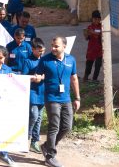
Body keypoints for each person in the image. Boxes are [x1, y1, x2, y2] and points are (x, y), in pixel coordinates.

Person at [37, 36, 80, 167]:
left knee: (67, 127)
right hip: (51, 99)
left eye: (56, 46)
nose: (53, 48)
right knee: (54, 126)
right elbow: (38, 75)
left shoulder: (71, 60)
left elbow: (74, 79)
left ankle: (46, 146)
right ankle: (50, 156)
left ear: (64, 47)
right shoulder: (45, 60)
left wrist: (77, 98)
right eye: (52, 46)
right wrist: (37, 78)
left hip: (66, 98)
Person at [22, 38, 46, 154]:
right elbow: (24, 77)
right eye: (39, 51)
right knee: (33, 115)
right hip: (32, 92)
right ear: (33, 49)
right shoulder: (28, 61)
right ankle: (25, 138)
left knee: (39, 118)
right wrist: (33, 78)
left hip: (43, 92)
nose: (41, 53)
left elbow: (50, 74)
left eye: (43, 51)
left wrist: (43, 77)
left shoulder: (45, 60)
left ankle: (34, 142)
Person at [83, 10, 102, 82]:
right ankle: (85, 78)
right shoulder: (89, 27)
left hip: (100, 51)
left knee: (97, 66)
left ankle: (94, 79)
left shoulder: (102, 27)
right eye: (95, 19)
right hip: (91, 50)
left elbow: (102, 34)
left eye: (98, 19)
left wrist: (93, 33)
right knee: (89, 65)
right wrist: (87, 34)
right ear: (92, 19)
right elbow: (86, 38)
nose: (96, 20)